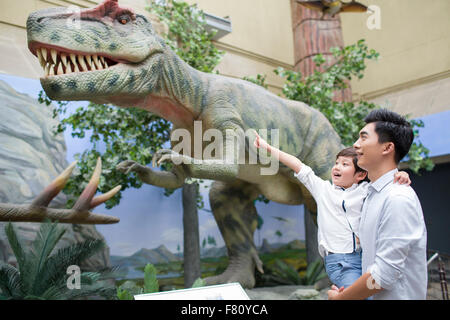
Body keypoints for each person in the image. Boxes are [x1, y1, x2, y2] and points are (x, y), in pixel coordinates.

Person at [253, 132, 411, 290]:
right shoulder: (323, 190)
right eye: (337, 163)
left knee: (372, 292)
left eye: (345, 164)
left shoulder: (366, 190)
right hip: (341, 262)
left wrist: (400, 174)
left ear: (360, 175)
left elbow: (385, 180)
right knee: (357, 294)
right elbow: (298, 165)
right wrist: (267, 147)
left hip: (366, 257)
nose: (337, 167)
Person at [327, 108, 428, 300]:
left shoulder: (398, 198)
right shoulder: (373, 195)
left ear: (387, 148)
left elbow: (384, 275)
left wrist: (344, 297)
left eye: (364, 138)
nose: (356, 145)